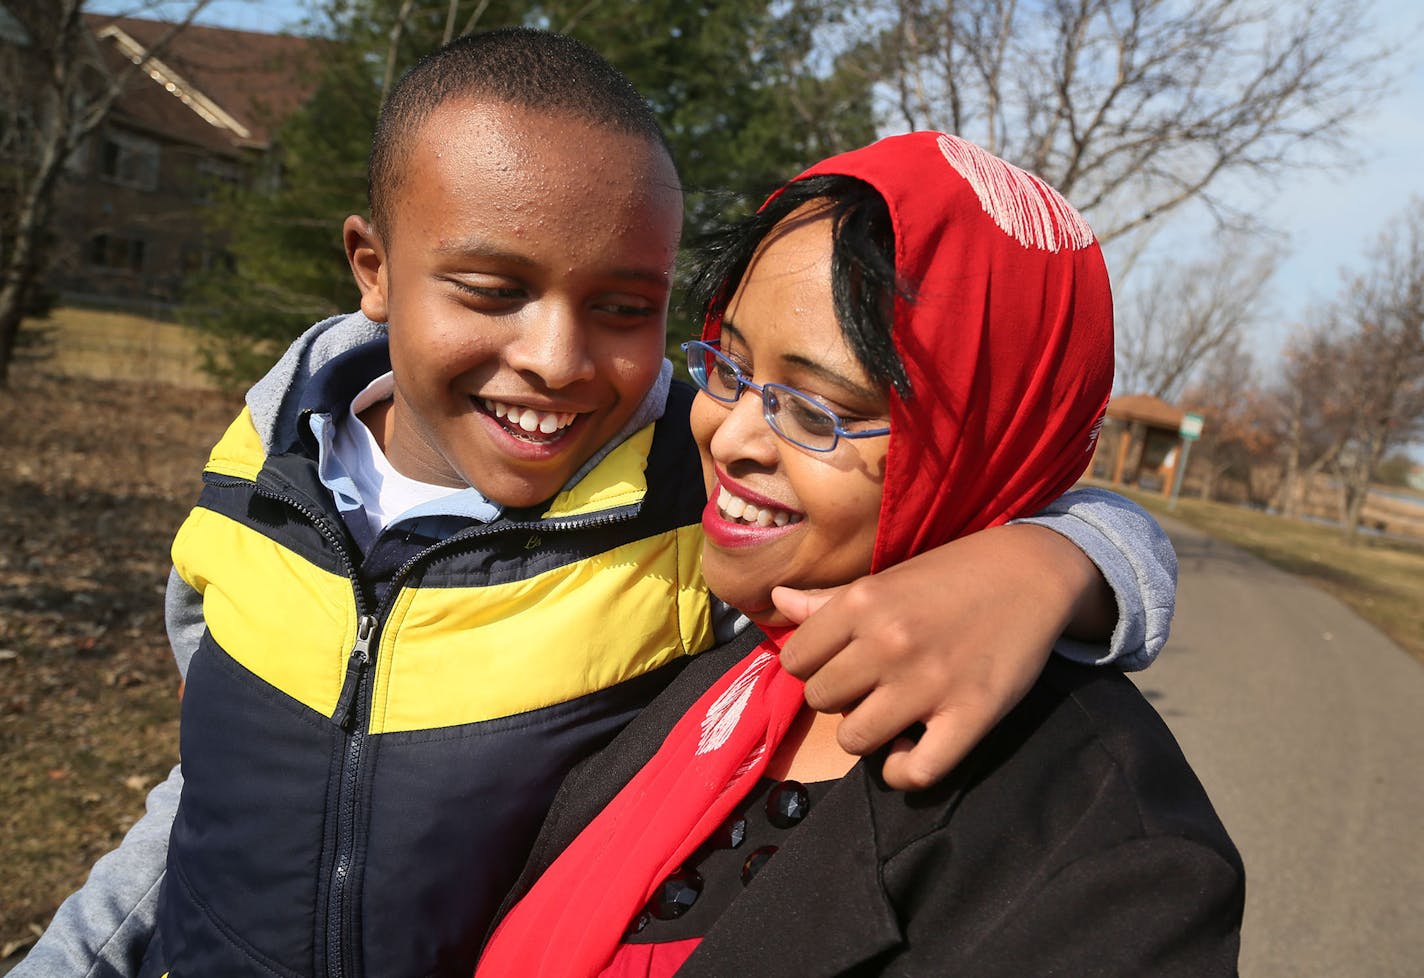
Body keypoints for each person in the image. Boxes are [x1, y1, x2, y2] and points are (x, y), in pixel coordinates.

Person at [15, 31, 1178, 978]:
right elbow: (218, 777)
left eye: (627, 308)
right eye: (491, 289)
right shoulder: (261, 468)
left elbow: (1000, 460)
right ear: (371, 266)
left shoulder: (684, 504)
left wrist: (1052, 560)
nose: (557, 360)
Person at [476, 131, 1243, 977]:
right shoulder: (730, 656)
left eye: (816, 411)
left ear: (984, 443)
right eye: (727, 367)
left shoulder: (1107, 855)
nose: (729, 437)